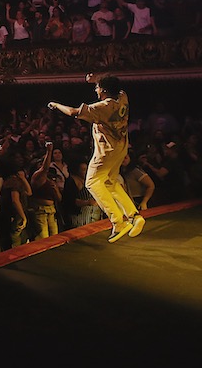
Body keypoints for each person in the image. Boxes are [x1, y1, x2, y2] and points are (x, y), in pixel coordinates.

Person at [48, 74, 145, 243]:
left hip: (106, 151)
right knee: (110, 182)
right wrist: (97, 79)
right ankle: (133, 215)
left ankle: (117, 221)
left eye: (97, 87)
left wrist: (56, 105)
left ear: (104, 90)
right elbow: (113, 84)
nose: (96, 90)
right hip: (121, 147)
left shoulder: (102, 107)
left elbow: (73, 112)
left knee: (92, 182)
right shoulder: (122, 96)